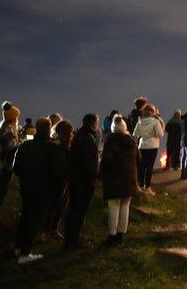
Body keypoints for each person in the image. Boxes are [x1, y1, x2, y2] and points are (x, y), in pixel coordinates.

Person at [11, 117, 65, 263]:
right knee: (33, 221)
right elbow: (58, 172)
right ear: (49, 129)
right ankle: (24, 253)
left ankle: (18, 247)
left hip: (26, 187)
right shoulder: (52, 148)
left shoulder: (25, 146)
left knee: (25, 218)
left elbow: (16, 168)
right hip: (43, 190)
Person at [101, 116, 138, 245]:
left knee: (113, 206)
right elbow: (137, 159)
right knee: (125, 206)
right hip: (129, 177)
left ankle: (112, 234)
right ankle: (121, 233)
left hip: (114, 177)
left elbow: (106, 160)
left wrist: (102, 174)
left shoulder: (110, 141)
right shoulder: (131, 141)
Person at [64, 114, 98, 250]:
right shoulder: (88, 139)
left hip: (74, 179)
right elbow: (88, 162)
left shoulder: (79, 136)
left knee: (72, 209)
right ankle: (74, 240)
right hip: (83, 182)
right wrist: (93, 180)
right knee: (79, 211)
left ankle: (69, 238)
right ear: (92, 124)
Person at [46, 120, 74, 239]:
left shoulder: (51, 145)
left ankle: (48, 229)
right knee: (57, 206)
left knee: (52, 206)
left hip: (52, 180)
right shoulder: (63, 148)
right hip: (60, 182)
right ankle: (52, 229)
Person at [133, 103, 164, 193]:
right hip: (153, 146)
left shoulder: (139, 122)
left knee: (142, 166)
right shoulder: (155, 122)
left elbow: (135, 135)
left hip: (142, 145)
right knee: (149, 167)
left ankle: (141, 185)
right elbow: (160, 134)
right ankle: (147, 187)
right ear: (152, 112)